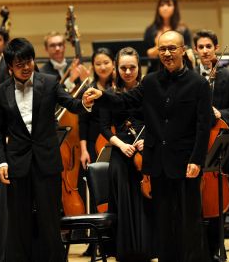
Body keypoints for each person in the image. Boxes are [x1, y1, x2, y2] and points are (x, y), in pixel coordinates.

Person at [86, 30, 211, 262]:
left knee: (188, 222)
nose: (167, 53)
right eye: (162, 49)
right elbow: (125, 100)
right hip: (158, 165)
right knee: (163, 224)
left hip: (185, 163)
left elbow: (203, 127)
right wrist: (101, 96)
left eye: (172, 48)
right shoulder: (151, 82)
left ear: (183, 50)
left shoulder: (198, 84)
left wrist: (196, 159)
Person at [0, 37, 94, 262]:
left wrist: (86, 102)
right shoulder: (1, 92)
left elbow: (72, 104)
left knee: (50, 221)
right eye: (19, 64)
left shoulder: (48, 82)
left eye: (28, 61)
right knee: (19, 221)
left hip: (46, 162)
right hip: (17, 164)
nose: (26, 67)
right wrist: (1, 161)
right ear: (10, 67)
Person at [193, 29, 229, 260]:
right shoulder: (189, 76)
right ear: (195, 50)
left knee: (216, 203)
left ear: (216, 48)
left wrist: (219, 113)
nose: (204, 50)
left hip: (218, 146)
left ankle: (215, 252)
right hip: (192, 146)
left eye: (208, 46)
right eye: (200, 47)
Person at [99, 47, 154, 261]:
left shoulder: (148, 91)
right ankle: (127, 252)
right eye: (123, 67)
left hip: (145, 152)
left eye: (132, 67)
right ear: (116, 67)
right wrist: (121, 145)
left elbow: (157, 122)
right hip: (121, 154)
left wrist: (148, 139)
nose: (128, 71)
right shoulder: (109, 95)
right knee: (125, 203)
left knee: (146, 200)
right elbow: (104, 128)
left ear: (139, 67)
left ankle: (147, 249)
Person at [79, 47, 115, 169]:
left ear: (114, 63)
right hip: (93, 143)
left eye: (106, 63)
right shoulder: (88, 90)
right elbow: (83, 123)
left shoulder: (119, 88)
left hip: (118, 141)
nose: (103, 67)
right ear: (93, 66)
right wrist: (84, 151)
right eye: (98, 64)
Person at [144, 0, 192, 74]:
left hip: (179, 71)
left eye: (169, 5)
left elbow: (188, 52)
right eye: (162, 5)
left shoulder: (183, 29)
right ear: (158, 8)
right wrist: (157, 47)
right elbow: (146, 54)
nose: (165, 8)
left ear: (174, 7)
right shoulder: (151, 30)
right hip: (156, 70)